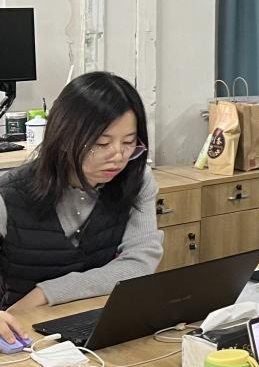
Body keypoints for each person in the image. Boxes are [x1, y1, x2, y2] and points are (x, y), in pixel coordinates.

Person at [0, 72, 162, 345]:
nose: (118, 156)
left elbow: (139, 264)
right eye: (102, 143)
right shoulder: (8, 195)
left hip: (96, 324)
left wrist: (45, 293)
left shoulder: (137, 181)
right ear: (64, 138)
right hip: (20, 335)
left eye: (129, 142)